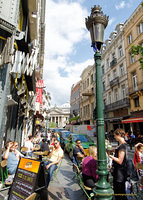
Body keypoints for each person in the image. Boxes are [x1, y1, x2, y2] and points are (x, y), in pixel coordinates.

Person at [108, 128, 127, 200]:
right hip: (118, 172)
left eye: (115, 136)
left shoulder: (122, 146)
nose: (114, 137)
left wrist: (111, 156)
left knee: (120, 190)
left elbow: (120, 161)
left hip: (120, 173)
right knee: (118, 190)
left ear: (119, 135)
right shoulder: (121, 145)